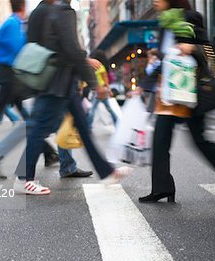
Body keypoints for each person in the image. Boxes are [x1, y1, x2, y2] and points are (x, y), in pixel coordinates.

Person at [12, 0, 131, 195]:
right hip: (58, 82)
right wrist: (94, 83)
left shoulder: (39, 12)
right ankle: (23, 178)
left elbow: (39, 45)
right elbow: (72, 50)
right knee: (39, 128)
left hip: (57, 80)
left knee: (82, 127)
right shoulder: (64, 10)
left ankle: (106, 173)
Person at [138, 0, 215, 203]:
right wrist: (145, 83)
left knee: (199, 141)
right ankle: (162, 188)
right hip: (170, 95)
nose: (154, 1)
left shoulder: (189, 18)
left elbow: (209, 51)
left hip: (191, 93)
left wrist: (193, 48)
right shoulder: (164, 24)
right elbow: (166, 60)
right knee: (160, 140)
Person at [0, 0, 91, 178]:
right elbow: (26, 50)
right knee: (34, 123)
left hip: (27, 75)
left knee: (44, 121)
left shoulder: (29, 16)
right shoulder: (20, 21)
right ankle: (9, 159)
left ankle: (61, 161)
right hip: (20, 76)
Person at [86, 50, 118, 128]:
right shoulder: (94, 67)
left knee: (92, 110)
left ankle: (88, 126)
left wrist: (108, 90)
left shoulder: (100, 67)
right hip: (98, 91)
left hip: (100, 91)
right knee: (108, 109)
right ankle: (117, 123)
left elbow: (105, 79)